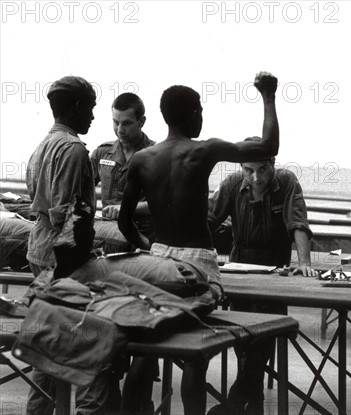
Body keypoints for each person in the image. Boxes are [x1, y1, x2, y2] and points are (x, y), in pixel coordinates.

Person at [118, 72, 279, 415]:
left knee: (145, 349)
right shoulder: (204, 150)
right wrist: (268, 95)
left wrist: (150, 248)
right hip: (197, 266)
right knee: (195, 356)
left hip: (158, 259)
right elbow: (268, 147)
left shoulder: (142, 159)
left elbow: (123, 221)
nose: (202, 117)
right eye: (200, 110)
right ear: (192, 114)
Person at [25, 75, 120, 415]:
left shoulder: (43, 146)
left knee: (47, 350)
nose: (93, 116)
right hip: (62, 261)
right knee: (88, 355)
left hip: (39, 250)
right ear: (78, 107)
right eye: (91, 107)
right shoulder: (75, 150)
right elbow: (68, 216)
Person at [206, 146, 318, 414]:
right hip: (239, 262)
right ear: (241, 168)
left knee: (266, 332)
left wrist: (303, 263)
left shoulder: (287, 181)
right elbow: (209, 219)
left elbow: (298, 224)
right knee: (242, 333)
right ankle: (251, 402)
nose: (255, 178)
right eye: (248, 170)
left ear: (272, 163)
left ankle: (234, 400)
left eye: (262, 170)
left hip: (274, 266)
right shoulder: (232, 183)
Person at [90, 93, 155, 252]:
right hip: (108, 235)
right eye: (115, 122)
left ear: (142, 122)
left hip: (144, 238)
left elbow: (165, 204)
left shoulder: (157, 156)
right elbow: (79, 189)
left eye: (126, 123)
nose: (120, 130)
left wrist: (127, 207)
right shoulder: (102, 153)